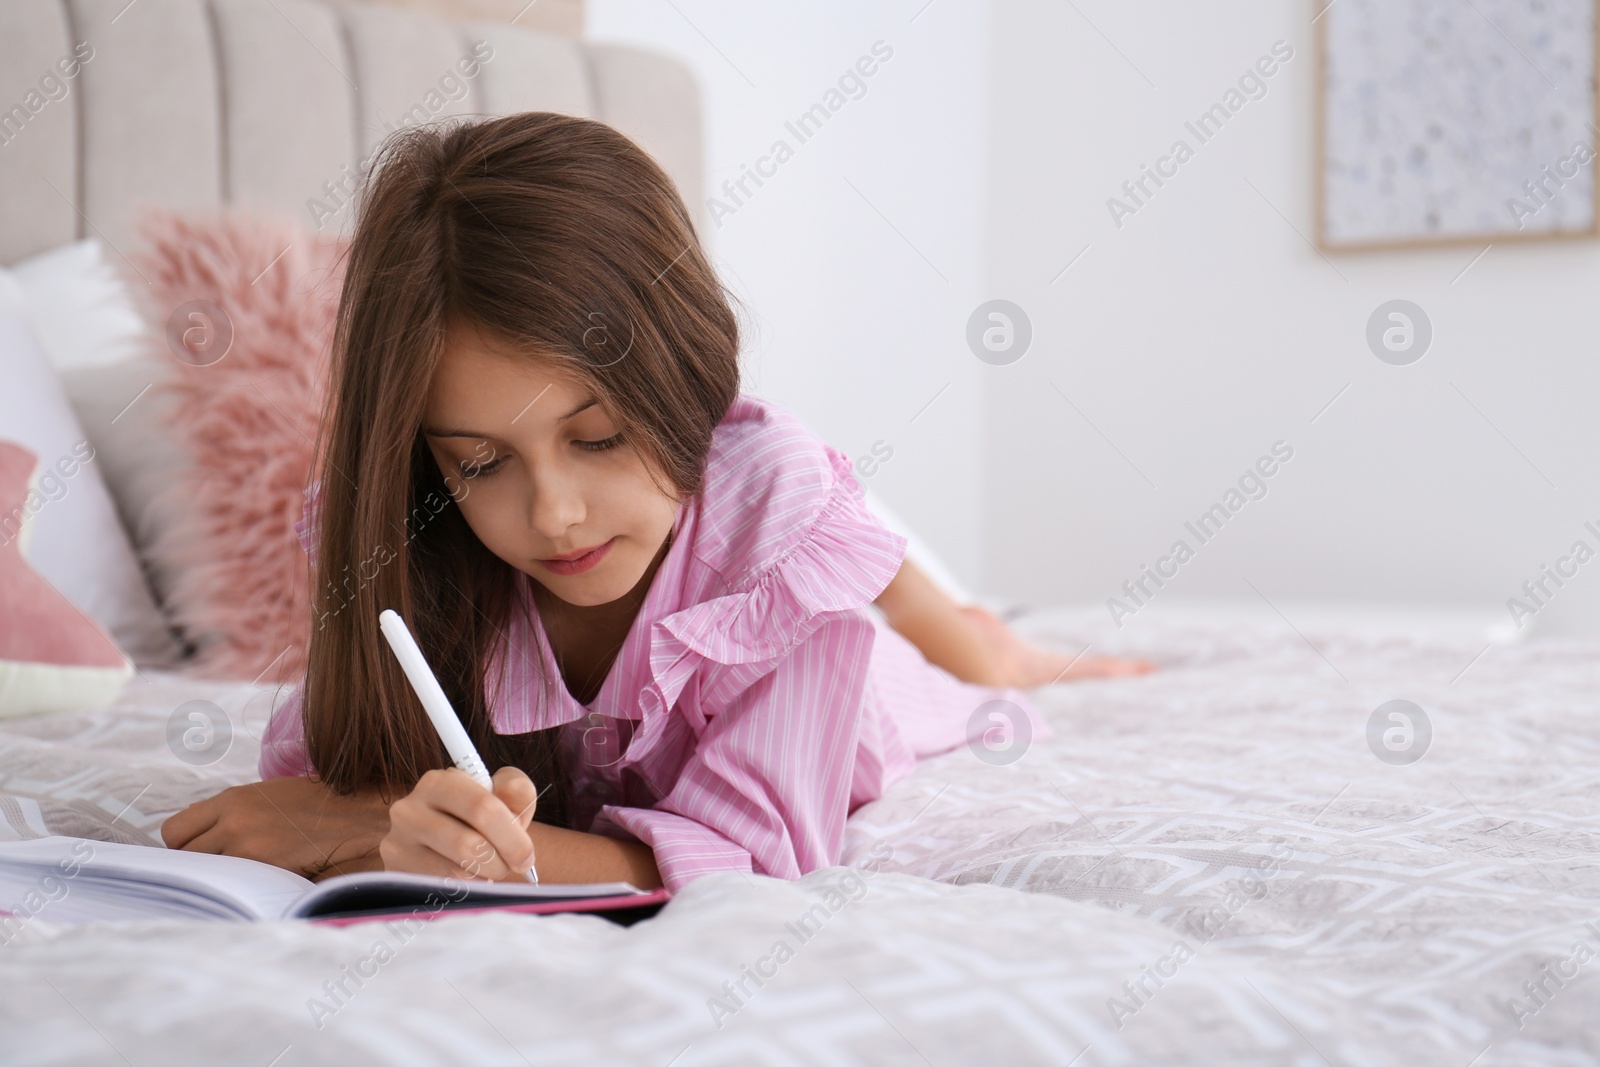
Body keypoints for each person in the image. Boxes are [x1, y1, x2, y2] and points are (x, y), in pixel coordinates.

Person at [161, 113, 1154, 892]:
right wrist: (373, 812)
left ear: (687, 382)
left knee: (960, 656)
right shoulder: (413, 543)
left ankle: (994, 639)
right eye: (478, 462)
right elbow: (324, 760)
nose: (552, 514)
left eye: (596, 439)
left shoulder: (766, 513)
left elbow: (756, 856)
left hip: (864, 675)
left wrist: (398, 833)